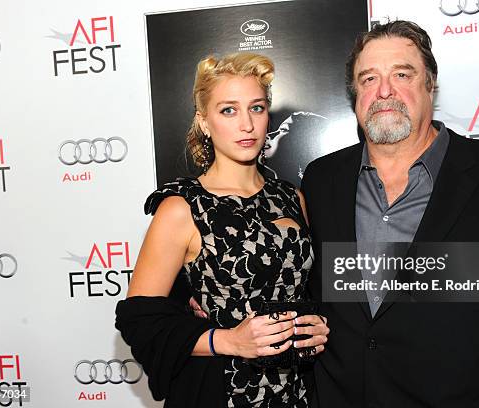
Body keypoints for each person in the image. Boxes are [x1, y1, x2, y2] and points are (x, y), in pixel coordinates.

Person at [301, 20, 479, 407]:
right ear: (355, 93)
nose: (384, 91)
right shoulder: (322, 179)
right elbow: (313, 286)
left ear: (431, 84)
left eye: (402, 74)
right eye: (368, 78)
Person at [115, 52, 329, 408]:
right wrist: (227, 340)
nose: (246, 124)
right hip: (223, 392)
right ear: (204, 121)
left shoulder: (292, 197)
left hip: (297, 391)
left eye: (257, 108)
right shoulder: (181, 208)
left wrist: (316, 324)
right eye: (228, 110)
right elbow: (139, 322)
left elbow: (299, 287)